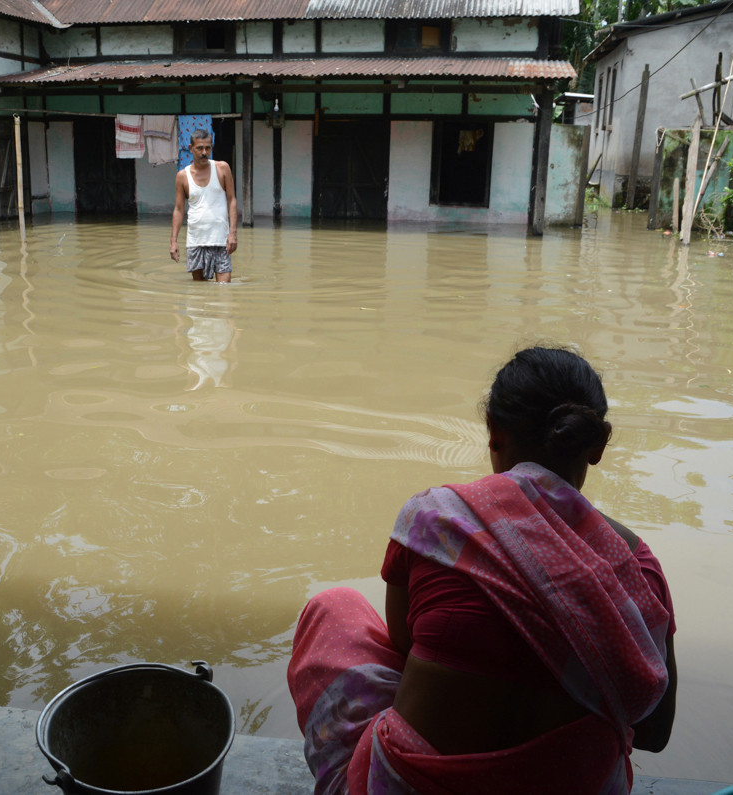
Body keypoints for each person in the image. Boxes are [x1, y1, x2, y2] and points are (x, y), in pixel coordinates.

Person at [287, 346, 678, 795]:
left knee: (333, 607)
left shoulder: (437, 521)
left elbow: (404, 644)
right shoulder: (638, 568)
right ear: (596, 446)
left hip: (410, 786)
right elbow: (654, 731)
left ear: (494, 434)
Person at [170, 129, 238, 283]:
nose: (204, 152)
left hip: (221, 239)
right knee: (199, 292)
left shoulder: (222, 169)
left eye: (207, 148)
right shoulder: (182, 176)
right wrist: (173, 241)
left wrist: (233, 233)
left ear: (211, 147)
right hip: (196, 240)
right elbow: (179, 210)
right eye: (199, 148)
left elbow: (232, 200)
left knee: (224, 290)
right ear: (190, 148)